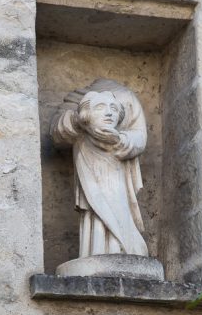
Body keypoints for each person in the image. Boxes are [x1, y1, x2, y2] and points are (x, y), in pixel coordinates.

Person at [50, 80, 149, 258]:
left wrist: (119, 140)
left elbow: (139, 136)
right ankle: (94, 251)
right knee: (94, 206)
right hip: (87, 159)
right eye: (102, 107)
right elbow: (57, 130)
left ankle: (126, 248)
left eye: (112, 108)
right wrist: (78, 121)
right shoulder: (76, 99)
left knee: (118, 205)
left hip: (117, 165)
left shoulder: (127, 98)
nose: (109, 112)